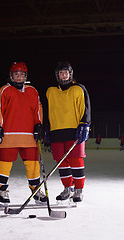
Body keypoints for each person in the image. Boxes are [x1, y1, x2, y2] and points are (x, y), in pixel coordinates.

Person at [0, 61, 47, 206]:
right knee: (5, 164)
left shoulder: (32, 91)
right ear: (11, 75)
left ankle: (36, 191)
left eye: (22, 74)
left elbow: (38, 111)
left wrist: (38, 125)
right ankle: (1, 191)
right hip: (9, 135)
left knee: (33, 165)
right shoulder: (5, 90)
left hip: (28, 136)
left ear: (25, 76)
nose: (19, 77)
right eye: (16, 74)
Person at [46, 62, 91, 203]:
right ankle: (67, 189)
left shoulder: (79, 88)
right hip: (56, 131)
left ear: (70, 74)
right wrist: (46, 128)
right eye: (61, 73)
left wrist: (85, 125)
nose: (63, 75)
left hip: (74, 131)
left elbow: (86, 108)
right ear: (57, 75)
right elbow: (47, 111)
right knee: (62, 163)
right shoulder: (50, 91)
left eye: (66, 72)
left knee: (76, 161)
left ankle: (78, 191)